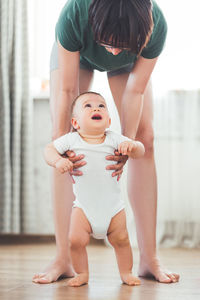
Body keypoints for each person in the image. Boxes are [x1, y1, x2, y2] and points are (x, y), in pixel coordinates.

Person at [33, 0, 180, 284]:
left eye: (118, 44)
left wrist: (125, 144)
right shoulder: (75, 12)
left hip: (130, 58)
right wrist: (61, 140)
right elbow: (67, 89)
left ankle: (150, 259)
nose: (111, 51)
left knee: (144, 140)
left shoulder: (154, 25)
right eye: (107, 43)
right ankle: (63, 257)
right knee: (63, 139)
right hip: (77, 55)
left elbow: (135, 92)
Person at [43, 91, 145, 287]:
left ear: (108, 120)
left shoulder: (114, 138)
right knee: (75, 240)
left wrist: (131, 145)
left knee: (122, 240)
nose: (96, 108)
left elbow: (141, 150)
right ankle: (81, 273)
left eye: (101, 106)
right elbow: (48, 149)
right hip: (83, 208)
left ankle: (126, 272)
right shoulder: (71, 140)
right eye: (87, 106)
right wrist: (57, 160)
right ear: (75, 123)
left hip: (113, 209)